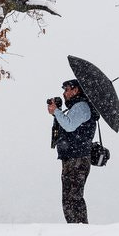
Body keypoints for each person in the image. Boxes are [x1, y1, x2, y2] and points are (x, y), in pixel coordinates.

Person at [47, 78, 98, 224]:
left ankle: (79, 228)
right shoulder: (77, 107)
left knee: (72, 197)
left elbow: (69, 126)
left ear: (75, 90)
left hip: (77, 158)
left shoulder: (81, 106)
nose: (64, 93)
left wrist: (56, 111)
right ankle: (76, 227)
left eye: (66, 89)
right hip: (73, 157)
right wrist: (56, 113)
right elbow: (67, 126)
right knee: (70, 196)